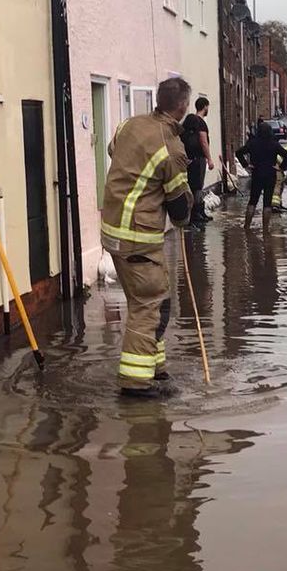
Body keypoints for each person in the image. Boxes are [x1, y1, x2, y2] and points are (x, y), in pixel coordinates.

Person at [101, 76, 195, 398]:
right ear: (182, 107)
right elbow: (180, 205)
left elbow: (115, 150)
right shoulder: (171, 147)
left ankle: (155, 368)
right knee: (149, 305)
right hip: (137, 236)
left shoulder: (129, 125)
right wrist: (184, 217)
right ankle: (135, 385)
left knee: (154, 299)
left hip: (113, 230)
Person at [236, 120, 287, 232]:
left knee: (253, 201)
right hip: (270, 174)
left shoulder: (253, 143)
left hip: (257, 174)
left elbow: (238, 152)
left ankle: (247, 226)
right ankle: (265, 228)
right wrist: (281, 167)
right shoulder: (274, 144)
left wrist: (246, 165)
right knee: (267, 202)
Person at [180, 96, 215, 228]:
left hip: (189, 159)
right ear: (205, 106)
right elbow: (203, 141)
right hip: (199, 158)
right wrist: (209, 159)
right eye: (207, 107)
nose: (208, 109)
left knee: (192, 185)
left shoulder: (189, 121)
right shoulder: (200, 123)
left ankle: (196, 214)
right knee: (198, 186)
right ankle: (197, 214)